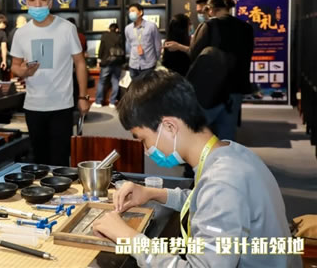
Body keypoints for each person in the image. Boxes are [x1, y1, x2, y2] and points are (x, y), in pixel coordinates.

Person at [92, 70, 299, 268]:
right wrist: (152, 193)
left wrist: (130, 239)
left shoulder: (223, 182)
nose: (147, 151)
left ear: (170, 126)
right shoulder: (229, 153)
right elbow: (204, 203)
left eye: (144, 140)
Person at [10, 0, 90, 166]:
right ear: (26, 1)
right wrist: (24, 72)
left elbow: (80, 63)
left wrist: (83, 97)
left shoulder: (67, 29)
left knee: (60, 159)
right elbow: (15, 65)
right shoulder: (21, 33)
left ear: (51, 2)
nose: (37, 4)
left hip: (62, 105)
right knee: (39, 159)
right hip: (33, 106)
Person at [188, 0, 254, 141]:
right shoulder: (246, 28)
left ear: (211, 9)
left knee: (204, 134)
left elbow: (194, 54)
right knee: (227, 135)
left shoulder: (209, 26)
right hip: (236, 87)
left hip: (211, 88)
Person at [124, 3, 161, 79]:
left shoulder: (151, 26)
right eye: (129, 12)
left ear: (140, 12)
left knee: (148, 86)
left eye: (133, 11)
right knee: (134, 86)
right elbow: (128, 45)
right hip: (133, 65)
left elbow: (157, 45)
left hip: (148, 65)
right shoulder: (128, 28)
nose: (131, 13)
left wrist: (156, 60)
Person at [92, 23, 124, 109]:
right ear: (117, 29)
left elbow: (101, 48)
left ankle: (98, 102)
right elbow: (123, 50)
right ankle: (112, 102)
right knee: (115, 81)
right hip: (117, 63)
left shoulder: (105, 36)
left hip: (106, 62)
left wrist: (99, 60)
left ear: (109, 29)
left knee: (101, 82)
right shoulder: (119, 37)